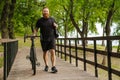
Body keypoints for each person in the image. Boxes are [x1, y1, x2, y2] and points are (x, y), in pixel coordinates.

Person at [33, 7, 58, 73]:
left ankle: (53, 67)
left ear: (49, 12)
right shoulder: (39, 20)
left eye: (46, 11)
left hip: (52, 38)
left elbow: (56, 26)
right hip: (43, 39)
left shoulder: (52, 19)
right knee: (45, 52)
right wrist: (34, 34)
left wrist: (56, 25)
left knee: (52, 51)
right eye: (44, 11)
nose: (45, 12)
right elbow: (36, 29)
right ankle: (46, 65)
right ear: (42, 12)